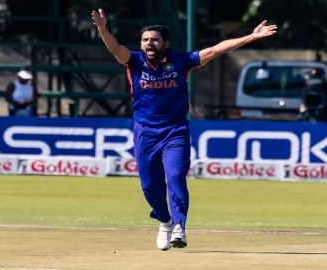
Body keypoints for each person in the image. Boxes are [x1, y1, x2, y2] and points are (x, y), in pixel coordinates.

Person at [91, 8, 277, 250]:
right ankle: (165, 221)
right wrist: (103, 29)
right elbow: (115, 48)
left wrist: (251, 37)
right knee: (149, 186)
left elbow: (217, 49)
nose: (150, 43)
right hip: (145, 131)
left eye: (155, 39)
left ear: (165, 43)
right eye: (146, 40)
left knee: (176, 175)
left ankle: (179, 225)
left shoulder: (182, 61)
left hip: (175, 130)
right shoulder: (134, 61)